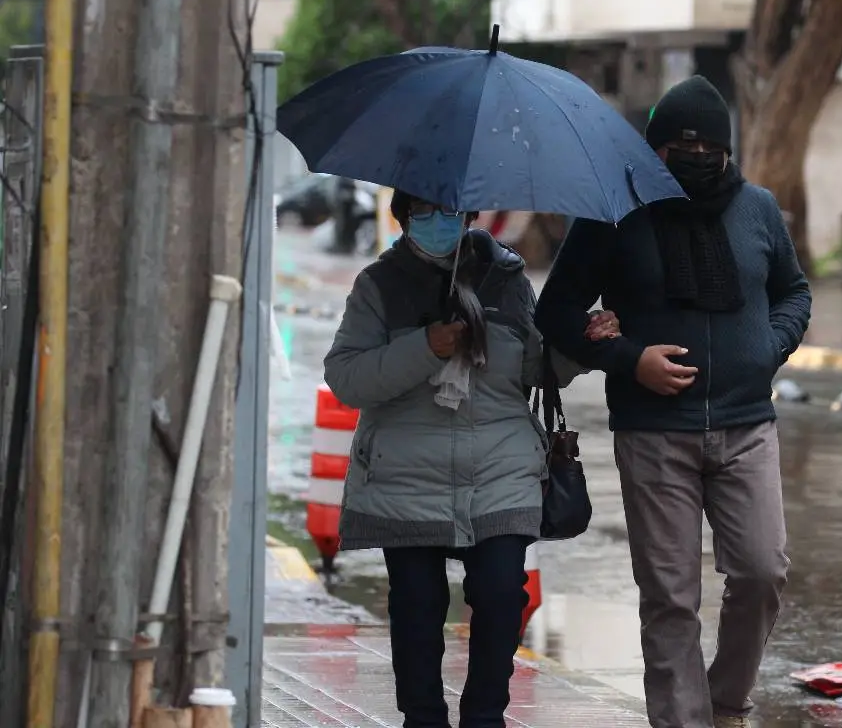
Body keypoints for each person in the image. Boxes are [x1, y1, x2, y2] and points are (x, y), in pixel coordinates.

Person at [534, 75, 812, 728]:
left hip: (747, 427)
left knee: (763, 572)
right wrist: (631, 359)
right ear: (652, 149)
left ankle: (725, 706)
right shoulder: (615, 213)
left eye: (705, 145)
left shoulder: (758, 209)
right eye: (677, 144)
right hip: (654, 433)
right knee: (670, 599)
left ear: (725, 149)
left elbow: (794, 291)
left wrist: (765, 349)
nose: (691, 155)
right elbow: (558, 310)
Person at [324, 194, 618, 728]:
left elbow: (534, 366)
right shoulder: (378, 285)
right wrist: (425, 348)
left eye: (448, 210)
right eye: (423, 210)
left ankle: (485, 717)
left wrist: (581, 345)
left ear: (469, 215)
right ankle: (424, 718)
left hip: (500, 468)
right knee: (416, 608)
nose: (437, 221)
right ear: (403, 215)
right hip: (405, 472)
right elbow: (347, 379)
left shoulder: (506, 280)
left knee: (504, 593)